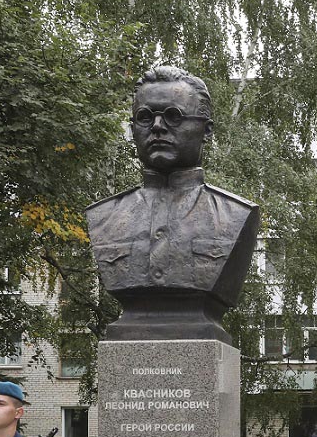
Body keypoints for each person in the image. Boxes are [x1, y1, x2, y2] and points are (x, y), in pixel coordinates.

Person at [86, 65, 259, 343]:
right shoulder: (104, 216)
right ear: (133, 129)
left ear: (206, 130)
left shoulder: (235, 215)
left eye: (173, 116)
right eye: (144, 117)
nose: (157, 127)